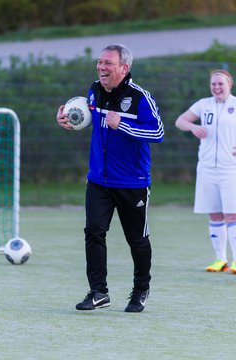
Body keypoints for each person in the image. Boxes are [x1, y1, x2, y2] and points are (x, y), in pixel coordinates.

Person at [56, 44, 164, 312]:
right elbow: (87, 115)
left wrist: (123, 125)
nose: (101, 67)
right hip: (98, 181)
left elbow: (158, 132)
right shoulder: (94, 90)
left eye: (108, 63)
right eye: (100, 62)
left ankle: (140, 291)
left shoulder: (140, 98)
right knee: (94, 232)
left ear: (124, 68)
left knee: (137, 240)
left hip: (133, 182)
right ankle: (98, 292)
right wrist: (68, 119)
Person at [175, 69, 236, 274]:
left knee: (232, 214)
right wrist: (193, 128)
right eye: (214, 84)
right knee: (215, 214)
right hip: (207, 168)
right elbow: (180, 121)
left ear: (230, 85)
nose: (217, 87)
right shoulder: (204, 104)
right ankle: (221, 259)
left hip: (231, 168)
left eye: (221, 84)